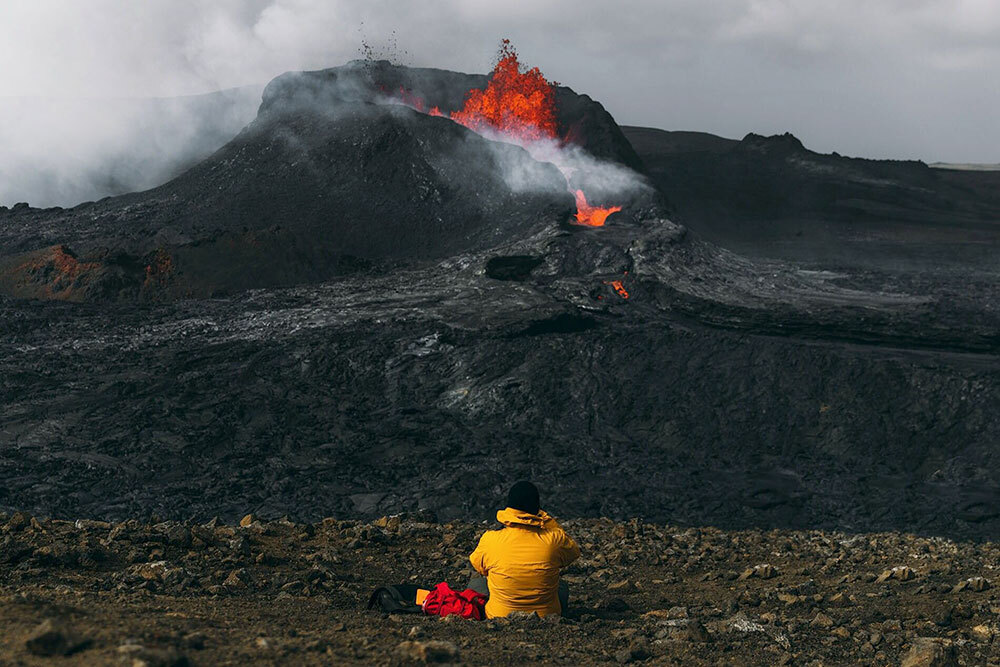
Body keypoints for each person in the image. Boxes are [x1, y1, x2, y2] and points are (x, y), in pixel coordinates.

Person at [468, 481, 580, 618]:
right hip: (546, 615)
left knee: (476, 584)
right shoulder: (554, 540)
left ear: (509, 507)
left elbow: (478, 567)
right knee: (561, 587)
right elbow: (574, 552)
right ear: (537, 508)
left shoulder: (490, 539)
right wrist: (547, 520)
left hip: (499, 616)